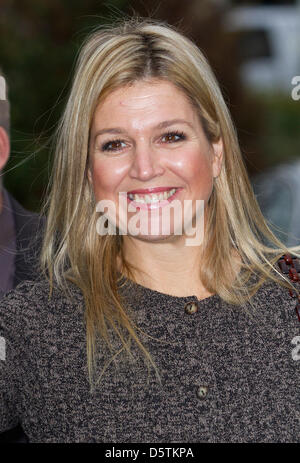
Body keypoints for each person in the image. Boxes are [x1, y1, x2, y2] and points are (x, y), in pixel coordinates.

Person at [0, 18, 300, 443]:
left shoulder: (292, 297)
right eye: (115, 144)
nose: (145, 168)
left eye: (171, 136)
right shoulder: (34, 327)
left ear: (216, 153)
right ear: (87, 172)